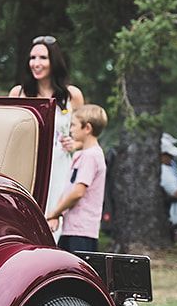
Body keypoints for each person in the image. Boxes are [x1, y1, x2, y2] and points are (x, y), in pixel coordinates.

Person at [9, 35, 85, 226]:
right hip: (28, 165)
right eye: (33, 58)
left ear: (54, 61)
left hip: (60, 167)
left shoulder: (72, 95)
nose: (36, 63)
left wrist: (73, 144)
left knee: (55, 222)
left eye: (42, 58)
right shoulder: (18, 93)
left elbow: (84, 137)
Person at [45, 104, 107, 252]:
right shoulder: (80, 155)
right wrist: (57, 215)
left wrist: (54, 212)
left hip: (82, 231)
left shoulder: (92, 156)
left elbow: (78, 192)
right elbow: (68, 188)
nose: (70, 129)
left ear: (87, 128)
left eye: (73, 125)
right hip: (70, 228)